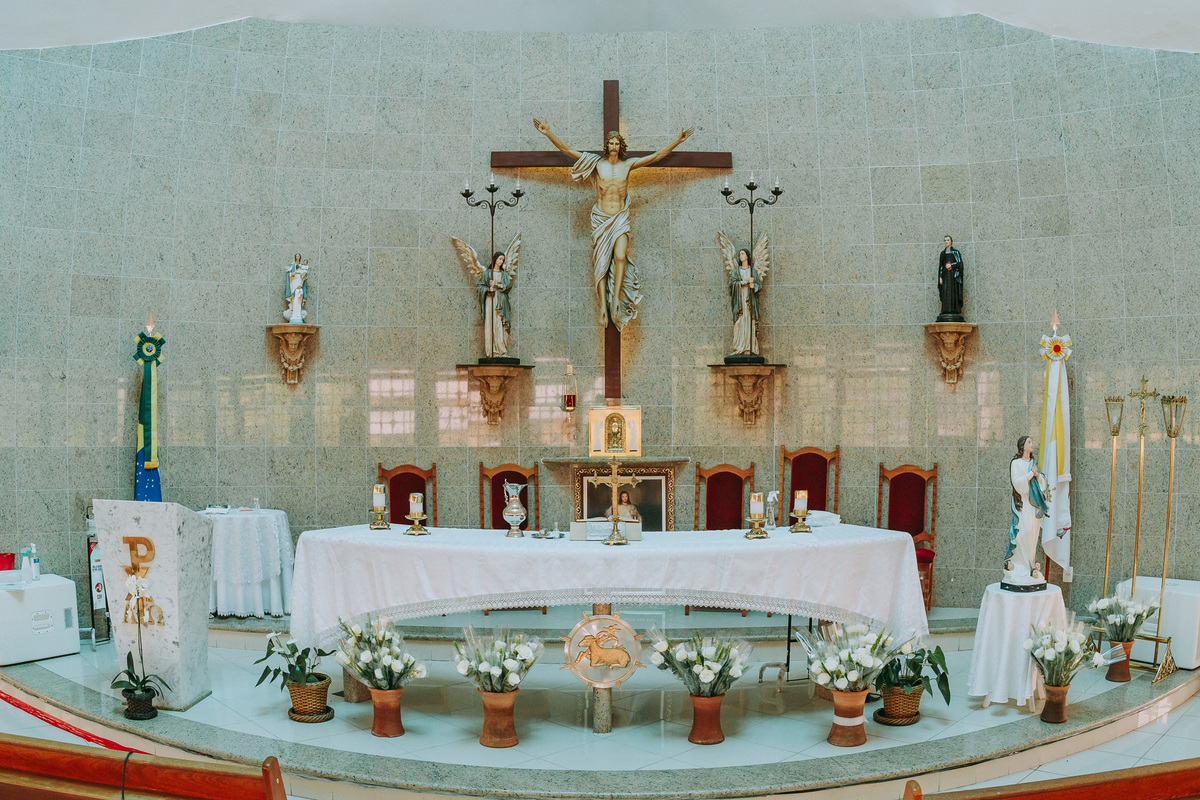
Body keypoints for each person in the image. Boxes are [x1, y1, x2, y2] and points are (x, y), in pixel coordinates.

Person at [532, 118, 693, 330]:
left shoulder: (628, 165)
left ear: (621, 146)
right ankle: (602, 305)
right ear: (606, 146)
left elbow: (655, 156)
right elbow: (568, 151)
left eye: (617, 143)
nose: (614, 146)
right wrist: (548, 133)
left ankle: (616, 298)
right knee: (600, 263)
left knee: (620, 256)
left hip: (620, 218)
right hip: (601, 219)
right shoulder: (597, 164)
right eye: (611, 143)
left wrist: (678, 141)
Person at [1005, 435, 1050, 585]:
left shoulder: (1033, 463)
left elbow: (1043, 483)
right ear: (1022, 446)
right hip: (1023, 504)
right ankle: (1018, 566)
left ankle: (1030, 566)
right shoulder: (1016, 463)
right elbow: (1017, 483)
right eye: (1029, 442)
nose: (1032, 444)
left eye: (1032, 441)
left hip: (1034, 506)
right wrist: (1031, 474)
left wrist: (1037, 476)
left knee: (1032, 534)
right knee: (1022, 533)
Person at [476, 251, 512, 357]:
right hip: (490, 301)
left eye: (503, 260)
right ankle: (491, 350)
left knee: (499, 324)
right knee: (491, 322)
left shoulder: (504, 275)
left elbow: (508, 285)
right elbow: (479, 287)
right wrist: (488, 289)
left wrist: (498, 285)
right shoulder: (487, 273)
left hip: (501, 302)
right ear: (495, 259)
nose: (501, 262)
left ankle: (501, 349)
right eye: (500, 259)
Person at [729, 247, 762, 355]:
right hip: (740, 300)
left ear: (747, 256)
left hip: (750, 301)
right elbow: (732, 284)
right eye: (739, 255)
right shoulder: (736, 271)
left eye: (742, 254)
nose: (741, 256)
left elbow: (758, 286)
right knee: (740, 322)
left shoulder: (753, 271)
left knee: (750, 322)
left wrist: (753, 285)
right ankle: (739, 346)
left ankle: (750, 347)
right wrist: (744, 282)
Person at [936, 235, 964, 321]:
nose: (946, 242)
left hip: (953, 276)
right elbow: (941, 266)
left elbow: (960, 263)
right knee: (945, 292)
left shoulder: (956, 252)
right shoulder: (943, 253)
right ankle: (945, 310)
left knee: (953, 292)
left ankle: (954, 310)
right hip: (945, 275)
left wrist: (951, 265)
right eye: (945, 240)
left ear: (951, 241)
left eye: (948, 240)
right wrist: (940, 277)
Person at [285, 254, 308, 323]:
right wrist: (292, 274)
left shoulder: (302, 267)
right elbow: (289, 274)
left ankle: (298, 313)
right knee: (293, 295)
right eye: (296, 256)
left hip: (299, 281)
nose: (297, 257)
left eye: (298, 256)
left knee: (299, 295)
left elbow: (305, 276)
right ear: (295, 257)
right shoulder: (292, 266)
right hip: (293, 282)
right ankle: (292, 310)